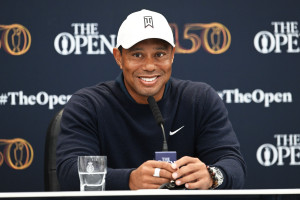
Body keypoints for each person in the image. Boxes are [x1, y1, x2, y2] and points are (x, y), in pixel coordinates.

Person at [56, 9, 246, 191]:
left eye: (159, 55)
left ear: (172, 55)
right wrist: (129, 180)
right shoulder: (88, 105)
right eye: (137, 55)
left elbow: (233, 165)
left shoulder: (200, 99)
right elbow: (69, 173)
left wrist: (211, 176)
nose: (149, 66)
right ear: (118, 57)